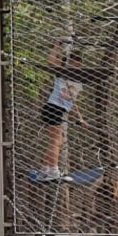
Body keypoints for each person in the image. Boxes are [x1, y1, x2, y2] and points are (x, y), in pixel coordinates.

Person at [39, 46, 86, 183]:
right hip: (53, 108)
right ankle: (53, 169)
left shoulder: (77, 81)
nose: (77, 66)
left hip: (56, 110)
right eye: (73, 64)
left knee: (56, 141)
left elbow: (72, 104)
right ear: (68, 64)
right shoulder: (63, 74)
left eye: (78, 64)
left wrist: (80, 118)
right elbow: (51, 62)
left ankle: (45, 169)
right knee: (55, 141)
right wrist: (57, 46)